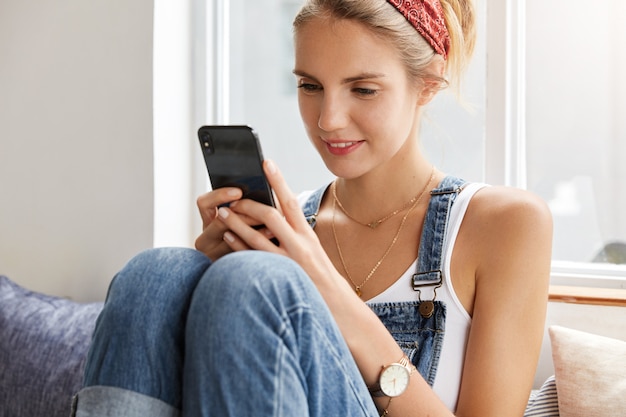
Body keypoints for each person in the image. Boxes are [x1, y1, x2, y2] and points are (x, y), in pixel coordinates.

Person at [71, 0, 553, 416]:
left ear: (427, 86)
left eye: (363, 89)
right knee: (159, 274)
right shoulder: (288, 228)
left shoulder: (505, 224)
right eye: (310, 86)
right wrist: (209, 293)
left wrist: (332, 297)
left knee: (254, 283)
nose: (328, 120)